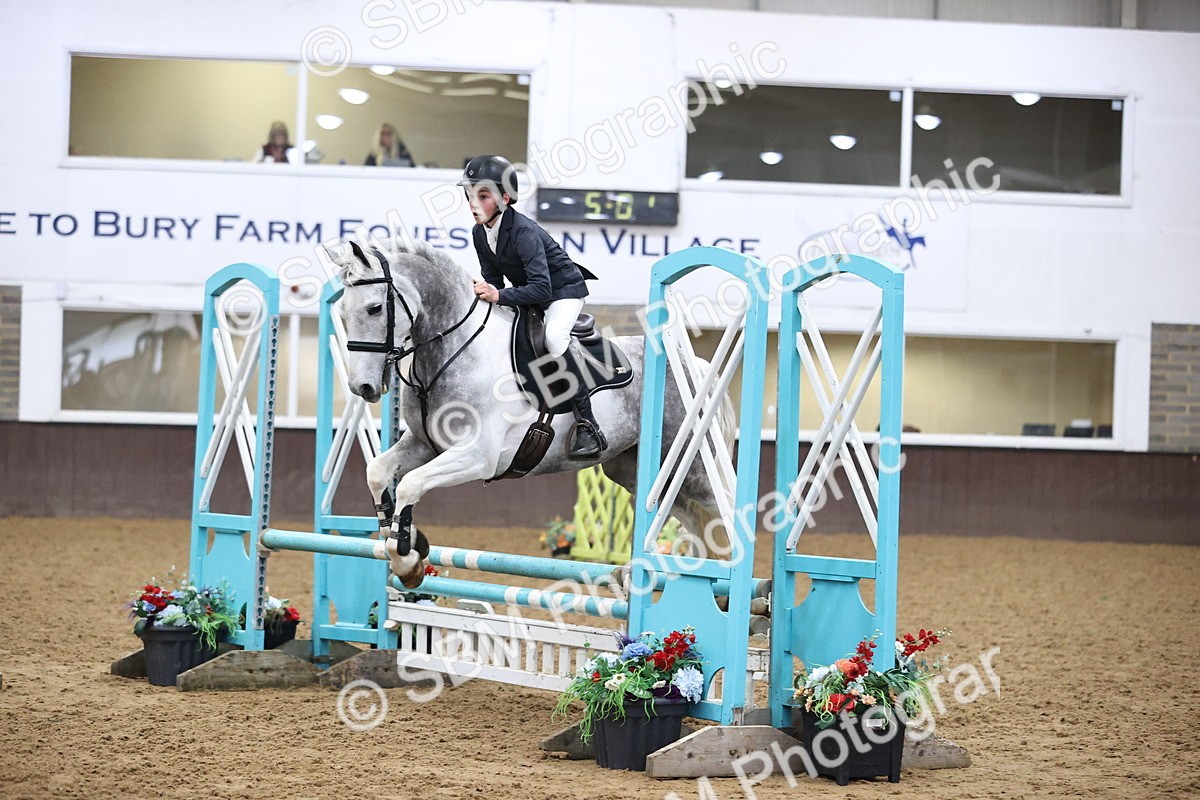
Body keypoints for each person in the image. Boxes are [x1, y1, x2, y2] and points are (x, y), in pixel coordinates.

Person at [458, 154, 606, 460]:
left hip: (562, 291)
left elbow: (541, 287)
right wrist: (487, 294)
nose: (473, 204)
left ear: (505, 198)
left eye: (483, 196)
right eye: (470, 195)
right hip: (532, 294)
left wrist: (498, 295)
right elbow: (494, 280)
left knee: (554, 337)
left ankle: (588, 424)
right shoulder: (479, 232)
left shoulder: (523, 231)